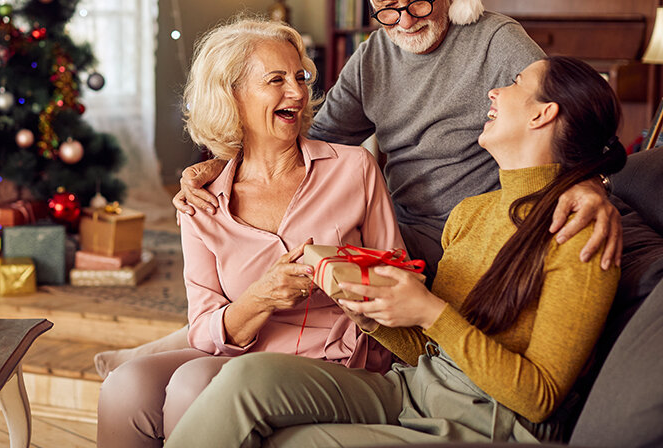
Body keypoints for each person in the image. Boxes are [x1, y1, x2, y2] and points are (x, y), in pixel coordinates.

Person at [163, 55, 626, 447]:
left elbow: (540, 398)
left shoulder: (582, 231)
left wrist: (428, 310)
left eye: (516, 84)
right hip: (416, 388)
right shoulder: (472, 213)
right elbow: (428, 348)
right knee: (246, 381)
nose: (494, 92)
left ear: (542, 114)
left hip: (488, 421)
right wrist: (366, 309)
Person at [174, 0, 621, 282]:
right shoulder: (373, 56)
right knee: (269, 265)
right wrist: (223, 166)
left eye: (420, 1)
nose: (405, 22)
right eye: (387, 7)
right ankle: (191, 345)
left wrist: (584, 183)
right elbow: (313, 135)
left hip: (471, 234)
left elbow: (565, 109)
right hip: (395, 225)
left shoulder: (497, 41)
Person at [97, 18, 405, 447]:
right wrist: (262, 297)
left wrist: (354, 288)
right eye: (275, 80)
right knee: (125, 386)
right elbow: (203, 326)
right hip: (241, 349)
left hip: (334, 358)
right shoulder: (203, 201)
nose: (297, 92)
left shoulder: (354, 169)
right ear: (232, 96)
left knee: (192, 383)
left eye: (300, 77)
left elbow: (399, 279)